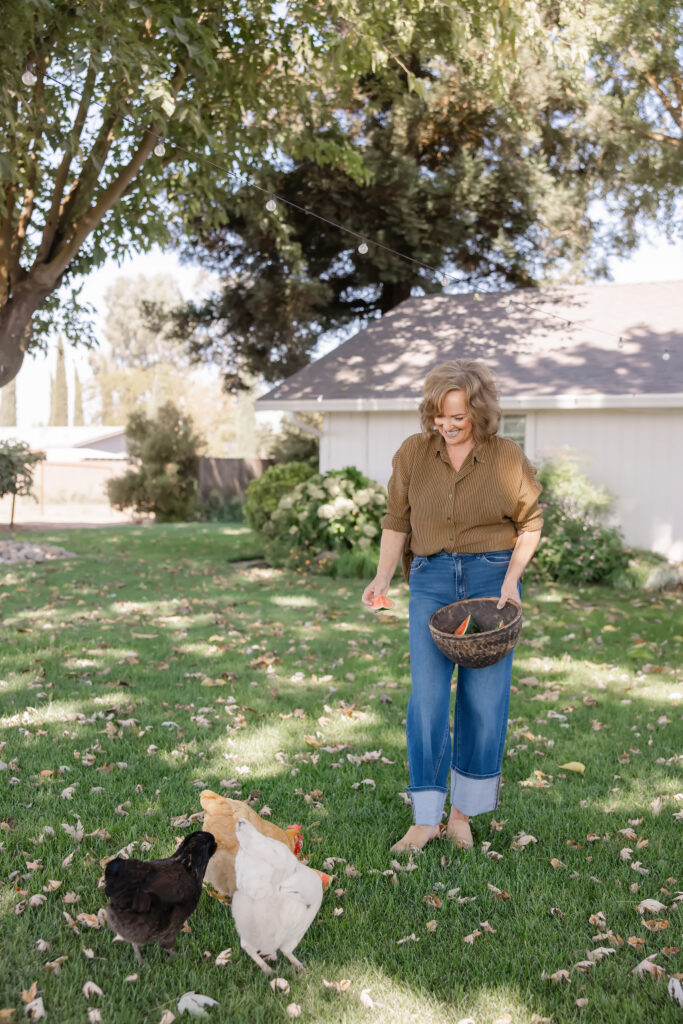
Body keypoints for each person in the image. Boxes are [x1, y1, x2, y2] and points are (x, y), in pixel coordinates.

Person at [362, 360, 543, 853]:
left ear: (479, 412)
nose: (447, 425)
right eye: (440, 415)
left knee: (483, 702)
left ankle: (462, 814)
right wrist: (382, 576)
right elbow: (396, 519)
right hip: (432, 578)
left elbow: (530, 523)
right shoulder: (414, 454)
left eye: (458, 417)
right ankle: (425, 818)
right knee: (426, 699)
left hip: (491, 581)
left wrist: (511, 579)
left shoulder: (505, 458)